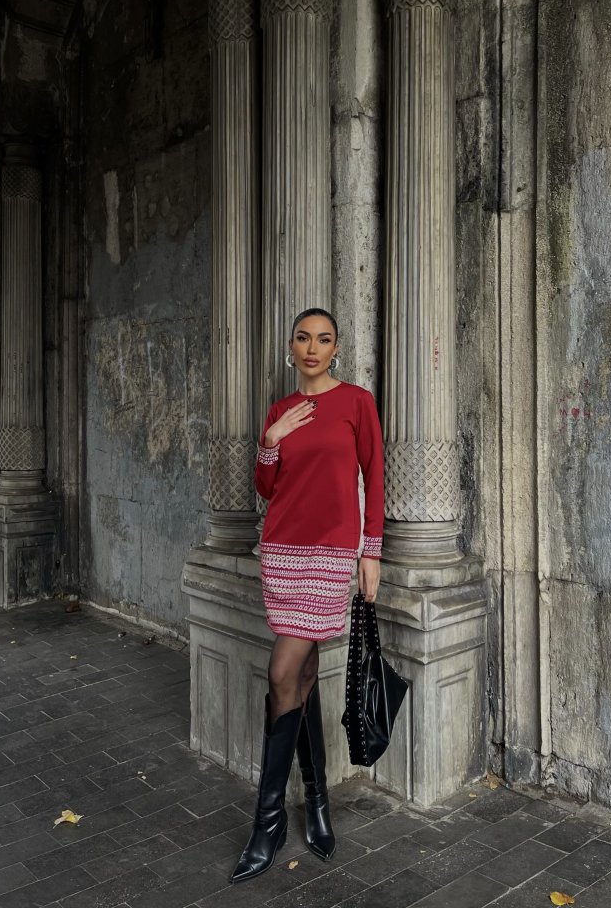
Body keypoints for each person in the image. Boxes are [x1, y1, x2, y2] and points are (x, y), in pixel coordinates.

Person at [230, 308, 384, 883]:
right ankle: (316, 801)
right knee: (302, 673)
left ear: (335, 348)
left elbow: (375, 474)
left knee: (281, 672)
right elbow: (267, 487)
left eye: (323, 339)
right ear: (291, 347)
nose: (312, 347)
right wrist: (270, 440)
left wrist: (372, 551)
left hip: (331, 552)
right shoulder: (279, 411)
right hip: (282, 549)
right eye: (303, 338)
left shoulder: (356, 403)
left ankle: (267, 823)